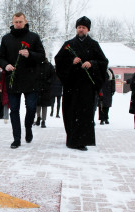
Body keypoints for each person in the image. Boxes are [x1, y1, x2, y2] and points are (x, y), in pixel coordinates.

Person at [54, 16, 108, 151]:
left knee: (85, 113)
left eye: (83, 27)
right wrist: (71, 62)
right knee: (70, 112)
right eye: (79, 27)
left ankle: (82, 140)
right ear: (76, 28)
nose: (81, 29)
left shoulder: (94, 45)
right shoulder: (68, 44)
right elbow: (58, 61)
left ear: (87, 29)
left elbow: (103, 62)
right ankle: (71, 138)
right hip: (71, 85)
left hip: (86, 87)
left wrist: (92, 63)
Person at [0, 12, 45, 149]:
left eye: (20, 22)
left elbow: (42, 56)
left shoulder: (34, 37)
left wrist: (30, 54)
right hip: (13, 78)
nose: (18, 24)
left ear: (25, 21)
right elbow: (0, 57)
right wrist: (5, 65)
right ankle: (16, 138)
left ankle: (28, 127)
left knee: (31, 108)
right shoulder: (6, 38)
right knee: (14, 110)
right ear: (12, 22)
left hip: (31, 78)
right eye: (16, 22)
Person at [34, 58, 54, 128]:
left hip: (46, 88)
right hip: (38, 87)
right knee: (38, 104)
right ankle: (38, 117)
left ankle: (43, 120)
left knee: (44, 105)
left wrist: (49, 82)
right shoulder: (37, 64)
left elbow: (53, 75)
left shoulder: (49, 65)